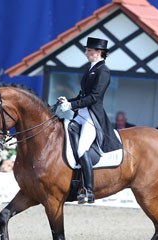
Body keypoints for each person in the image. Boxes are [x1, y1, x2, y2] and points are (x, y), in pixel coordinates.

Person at [58, 37, 122, 204]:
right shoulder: (91, 69)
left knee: (81, 149)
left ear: (98, 52)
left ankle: (89, 191)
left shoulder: (103, 71)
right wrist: (67, 102)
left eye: (89, 50)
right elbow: (82, 95)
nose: (86, 53)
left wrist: (72, 105)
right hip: (81, 115)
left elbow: (94, 97)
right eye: (86, 50)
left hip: (92, 118)